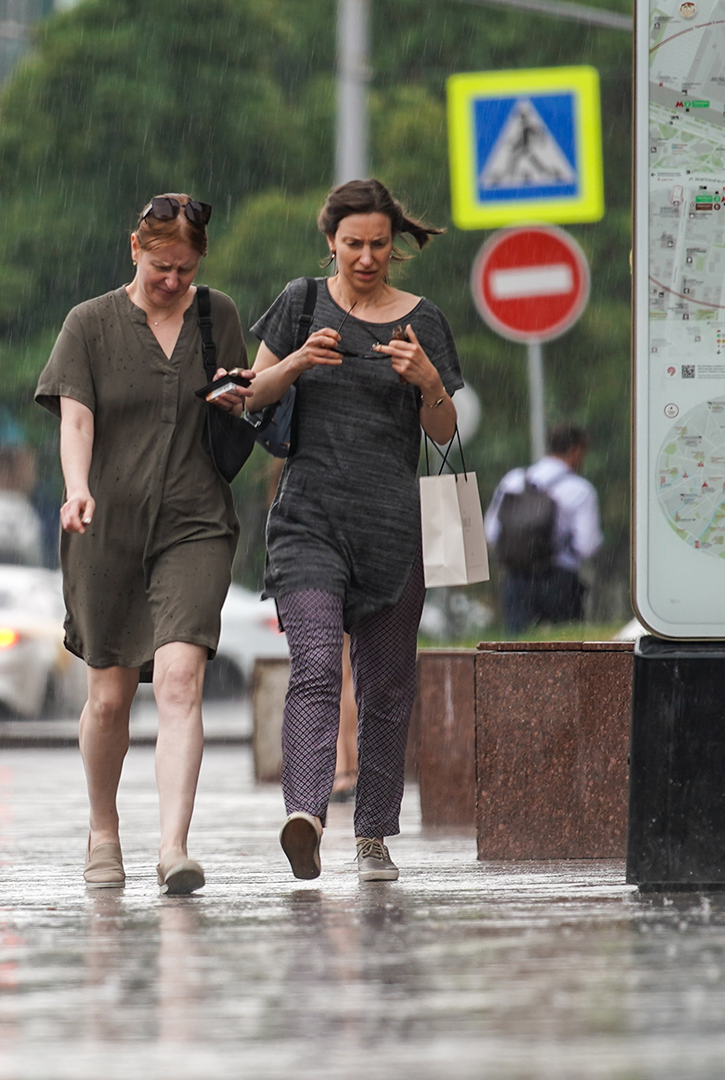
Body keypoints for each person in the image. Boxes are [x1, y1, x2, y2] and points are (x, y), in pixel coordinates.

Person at [243, 179, 464, 883]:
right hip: (309, 518)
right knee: (313, 666)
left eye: (378, 246)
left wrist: (427, 379)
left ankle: (373, 837)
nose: (366, 258)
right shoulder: (300, 303)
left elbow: (444, 431)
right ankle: (305, 814)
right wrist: (297, 361)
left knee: (387, 687)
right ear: (330, 242)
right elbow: (250, 395)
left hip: (395, 529)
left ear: (394, 246)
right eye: (352, 245)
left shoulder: (422, 321)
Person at [34, 193, 252, 895]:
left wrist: (238, 397)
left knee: (183, 680)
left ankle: (174, 846)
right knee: (109, 697)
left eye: (185, 271)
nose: (173, 282)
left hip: (195, 520)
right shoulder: (90, 325)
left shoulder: (218, 317)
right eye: (162, 267)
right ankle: (103, 831)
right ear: (135, 248)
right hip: (105, 524)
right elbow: (76, 421)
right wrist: (75, 488)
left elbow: (242, 399)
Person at [485, 424, 602, 632]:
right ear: (577, 450)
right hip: (561, 580)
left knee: (516, 651)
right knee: (567, 649)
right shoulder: (581, 490)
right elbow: (587, 546)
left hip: (516, 577)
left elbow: (492, 531)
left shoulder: (514, 479)